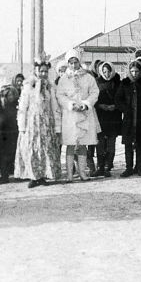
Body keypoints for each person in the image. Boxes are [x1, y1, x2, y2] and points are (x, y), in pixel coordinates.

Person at [14, 58, 62, 188]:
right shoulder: (28, 86)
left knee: (45, 149)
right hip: (32, 123)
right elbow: (23, 107)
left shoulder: (50, 87)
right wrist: (22, 126)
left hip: (47, 123)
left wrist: (57, 126)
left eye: (46, 71)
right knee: (32, 149)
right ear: (36, 71)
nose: (43, 74)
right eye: (41, 71)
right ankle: (33, 176)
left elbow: (55, 107)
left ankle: (43, 176)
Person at [56, 49, 100, 182]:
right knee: (70, 144)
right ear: (67, 64)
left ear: (79, 62)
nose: (74, 66)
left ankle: (82, 172)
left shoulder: (88, 77)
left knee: (82, 144)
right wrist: (70, 104)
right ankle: (70, 174)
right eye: (71, 63)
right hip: (70, 116)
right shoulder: (63, 79)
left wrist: (86, 104)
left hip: (84, 114)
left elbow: (94, 92)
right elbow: (60, 95)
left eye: (76, 62)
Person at [93, 61, 122, 177]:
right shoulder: (96, 82)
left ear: (112, 71)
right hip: (101, 116)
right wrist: (101, 106)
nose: (107, 74)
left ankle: (107, 166)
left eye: (109, 71)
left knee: (111, 142)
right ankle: (100, 166)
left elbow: (122, 98)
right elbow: (93, 98)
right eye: (104, 71)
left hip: (114, 116)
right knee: (99, 142)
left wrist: (116, 105)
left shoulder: (117, 82)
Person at [0, 84, 20, 184]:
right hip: (5, 134)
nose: (10, 97)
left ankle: (18, 174)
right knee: (4, 155)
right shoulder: (2, 106)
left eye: (12, 95)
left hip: (16, 133)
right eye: (8, 95)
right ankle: (4, 175)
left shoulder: (18, 105)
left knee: (16, 154)